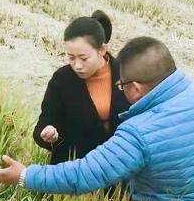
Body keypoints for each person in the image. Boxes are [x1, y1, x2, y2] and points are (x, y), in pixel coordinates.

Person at [0, 37, 194, 201]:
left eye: (121, 86)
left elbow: (84, 175)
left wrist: (25, 176)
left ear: (135, 87)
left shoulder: (139, 132)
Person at [33, 10, 130, 165]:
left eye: (84, 58)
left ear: (102, 50)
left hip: (119, 171)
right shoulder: (62, 80)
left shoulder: (127, 74)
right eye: (71, 58)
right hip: (73, 173)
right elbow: (42, 127)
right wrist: (48, 135)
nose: (77, 66)